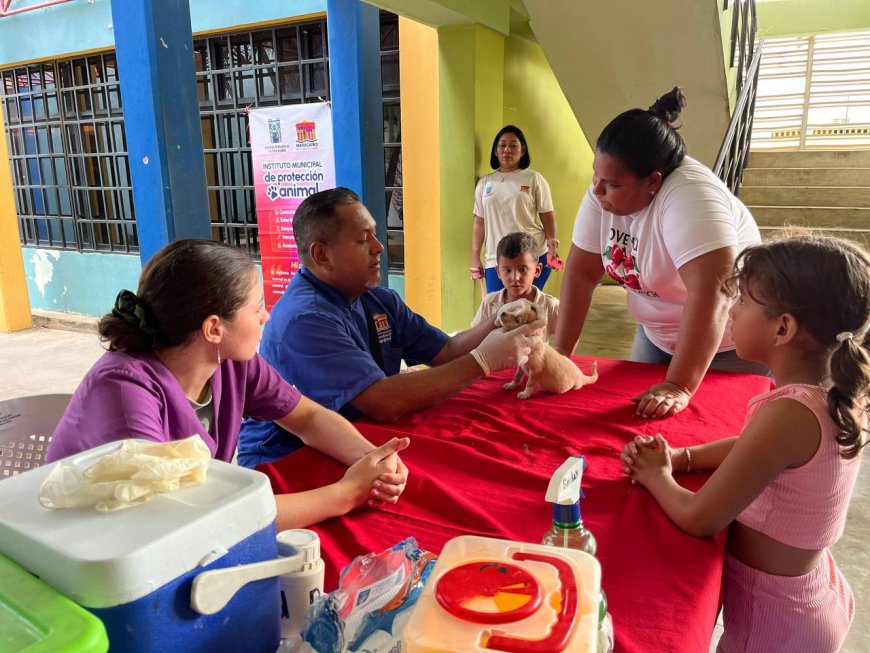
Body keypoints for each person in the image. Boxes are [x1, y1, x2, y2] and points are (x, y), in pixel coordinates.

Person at [46, 239, 410, 531]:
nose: (267, 315)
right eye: (257, 308)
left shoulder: (232, 363)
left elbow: (308, 417)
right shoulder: (125, 390)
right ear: (214, 328)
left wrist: (371, 459)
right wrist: (346, 493)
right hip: (100, 549)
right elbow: (191, 519)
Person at [621, 236, 868, 652]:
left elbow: (701, 519)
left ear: (783, 327)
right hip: (811, 593)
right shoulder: (828, 392)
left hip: (775, 624)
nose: (732, 311)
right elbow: (755, 447)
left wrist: (657, 476)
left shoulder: (790, 412)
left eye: (743, 302)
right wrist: (685, 458)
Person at [238, 187, 543, 467]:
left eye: (374, 234)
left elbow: (447, 351)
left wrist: (497, 320)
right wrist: (484, 361)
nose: (379, 247)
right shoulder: (305, 319)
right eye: (362, 240)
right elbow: (384, 402)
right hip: (287, 459)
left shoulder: (378, 299)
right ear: (321, 254)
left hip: (358, 440)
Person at [554, 87, 766, 419]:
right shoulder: (604, 189)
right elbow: (582, 274)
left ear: (653, 181)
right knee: (630, 422)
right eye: (596, 175)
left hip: (729, 344)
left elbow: (715, 292)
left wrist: (680, 385)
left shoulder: (692, 197)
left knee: (715, 436)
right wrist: (559, 355)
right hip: (657, 337)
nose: (597, 191)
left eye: (611, 184)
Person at [470, 125, 561, 293]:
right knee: (499, 312)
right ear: (495, 151)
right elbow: (479, 223)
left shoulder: (534, 179)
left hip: (532, 255)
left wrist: (553, 245)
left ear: (523, 150)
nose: (507, 150)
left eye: (513, 145)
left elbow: (547, 215)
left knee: (528, 311)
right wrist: (475, 258)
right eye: (502, 145)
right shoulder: (485, 183)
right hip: (496, 259)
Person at [472, 232, 560, 337]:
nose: (515, 278)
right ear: (498, 272)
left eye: (523, 269)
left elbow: (569, 336)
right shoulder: (489, 303)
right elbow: (475, 337)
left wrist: (555, 353)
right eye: (507, 270)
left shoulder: (550, 306)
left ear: (537, 270)